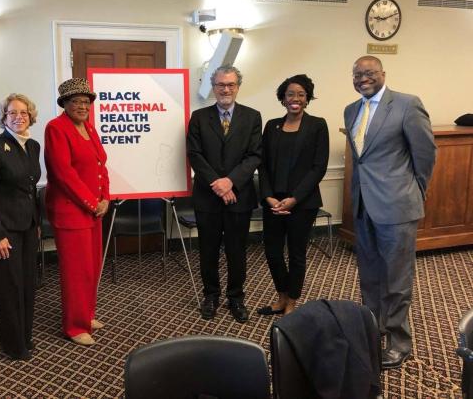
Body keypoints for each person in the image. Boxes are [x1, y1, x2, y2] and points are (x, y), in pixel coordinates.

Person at [344, 56, 436, 369]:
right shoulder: (351, 109)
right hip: (363, 205)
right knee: (369, 275)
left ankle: (399, 340)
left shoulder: (407, 105)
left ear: (383, 73)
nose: (362, 78)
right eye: (357, 74)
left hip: (397, 206)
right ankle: (373, 329)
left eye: (369, 73)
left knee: (397, 278)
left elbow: (424, 155)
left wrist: (414, 193)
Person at [187, 65, 262, 323]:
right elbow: (194, 154)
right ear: (213, 86)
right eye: (220, 85)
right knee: (207, 250)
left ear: (238, 86)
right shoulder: (198, 117)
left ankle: (236, 297)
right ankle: (211, 296)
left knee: (236, 250)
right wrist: (218, 184)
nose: (225, 89)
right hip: (207, 197)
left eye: (230, 84)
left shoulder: (252, 117)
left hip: (238, 196)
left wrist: (230, 182)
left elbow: (254, 155)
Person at [256, 74, 329, 317]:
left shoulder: (318, 125)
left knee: (297, 253)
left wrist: (295, 198)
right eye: (290, 94)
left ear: (307, 98)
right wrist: (268, 197)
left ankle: (292, 301)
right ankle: (281, 296)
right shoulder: (271, 126)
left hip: (302, 203)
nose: (295, 98)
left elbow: (318, 167)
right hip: (273, 202)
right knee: (273, 252)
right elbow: (263, 165)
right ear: (282, 98)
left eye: (300, 94)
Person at [44, 78, 110, 346]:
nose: (82, 106)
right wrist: (92, 203)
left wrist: (106, 197)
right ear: (65, 104)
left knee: (92, 267)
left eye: (86, 102)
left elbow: (100, 165)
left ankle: (86, 314)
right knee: (76, 271)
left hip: (93, 211)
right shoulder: (56, 128)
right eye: (76, 102)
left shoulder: (90, 128)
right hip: (72, 212)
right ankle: (74, 326)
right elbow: (63, 174)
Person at [0, 94, 41, 360]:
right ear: (3, 118)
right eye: (12, 113)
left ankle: (24, 336)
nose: (19, 117)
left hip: (27, 226)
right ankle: (13, 345)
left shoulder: (34, 146)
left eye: (24, 112)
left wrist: (36, 222)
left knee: (27, 283)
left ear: (31, 116)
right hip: (3, 230)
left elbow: (30, 188)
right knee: (8, 287)